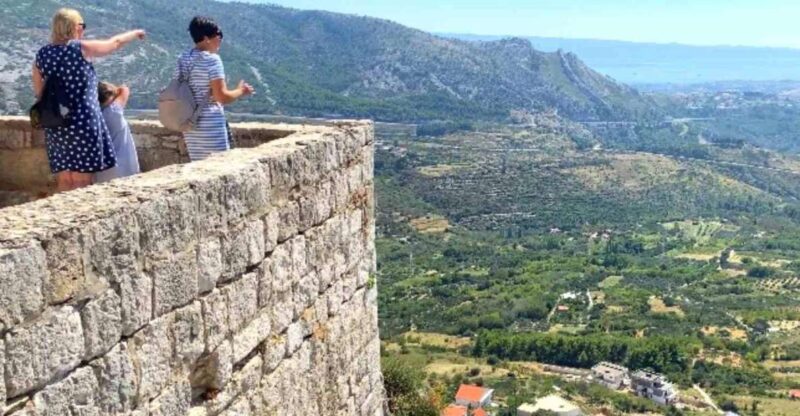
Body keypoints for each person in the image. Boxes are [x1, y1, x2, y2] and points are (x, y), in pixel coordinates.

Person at [32, 8, 145, 192]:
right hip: (83, 124)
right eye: (82, 26)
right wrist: (135, 33)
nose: (83, 30)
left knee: (65, 178)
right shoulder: (80, 48)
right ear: (76, 27)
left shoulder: (42, 55)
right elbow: (114, 43)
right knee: (82, 181)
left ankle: (64, 215)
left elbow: (39, 92)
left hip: (56, 124)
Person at [175, 16, 254, 161]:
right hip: (210, 124)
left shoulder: (183, 58)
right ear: (206, 38)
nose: (221, 39)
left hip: (189, 123)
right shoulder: (212, 60)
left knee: (199, 168)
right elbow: (221, 97)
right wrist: (241, 91)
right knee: (219, 167)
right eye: (219, 35)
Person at [94, 82, 140, 183]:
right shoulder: (113, 112)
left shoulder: (92, 117)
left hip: (101, 173)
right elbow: (124, 90)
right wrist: (116, 89)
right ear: (109, 96)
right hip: (125, 170)